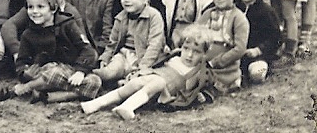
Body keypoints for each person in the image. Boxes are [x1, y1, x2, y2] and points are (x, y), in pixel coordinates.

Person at [0, 0, 101, 104]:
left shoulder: (67, 25)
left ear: (53, 9)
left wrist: (80, 71)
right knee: (53, 72)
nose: (35, 11)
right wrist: (25, 73)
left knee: (94, 81)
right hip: (45, 72)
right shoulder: (28, 34)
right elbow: (22, 61)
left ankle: (47, 96)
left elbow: (88, 50)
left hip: (71, 71)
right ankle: (23, 90)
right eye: (30, 7)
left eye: (40, 7)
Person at [80, 25, 216, 119]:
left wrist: (203, 96)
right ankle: (96, 103)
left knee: (158, 81)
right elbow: (156, 64)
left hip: (164, 93)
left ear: (204, 54)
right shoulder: (174, 56)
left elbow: (210, 88)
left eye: (196, 52)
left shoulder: (202, 71)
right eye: (186, 48)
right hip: (152, 81)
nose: (189, 55)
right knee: (137, 82)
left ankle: (128, 106)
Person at [194, 0, 249, 93]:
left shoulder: (238, 18)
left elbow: (240, 49)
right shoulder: (208, 14)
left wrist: (216, 62)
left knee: (195, 80)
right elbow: (195, 35)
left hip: (226, 70)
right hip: (203, 64)